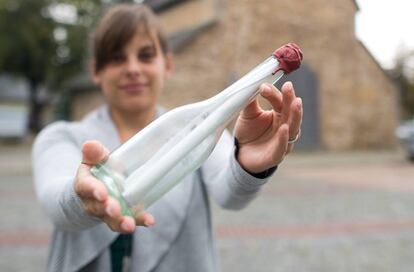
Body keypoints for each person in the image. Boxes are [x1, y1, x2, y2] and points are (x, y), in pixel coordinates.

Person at [32, 3, 303, 272]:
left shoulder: (198, 132)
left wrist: (247, 165)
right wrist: (83, 197)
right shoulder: (60, 137)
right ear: (95, 71)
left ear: (168, 64)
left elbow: (230, 193)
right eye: (116, 58)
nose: (133, 68)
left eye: (146, 55)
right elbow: (57, 202)